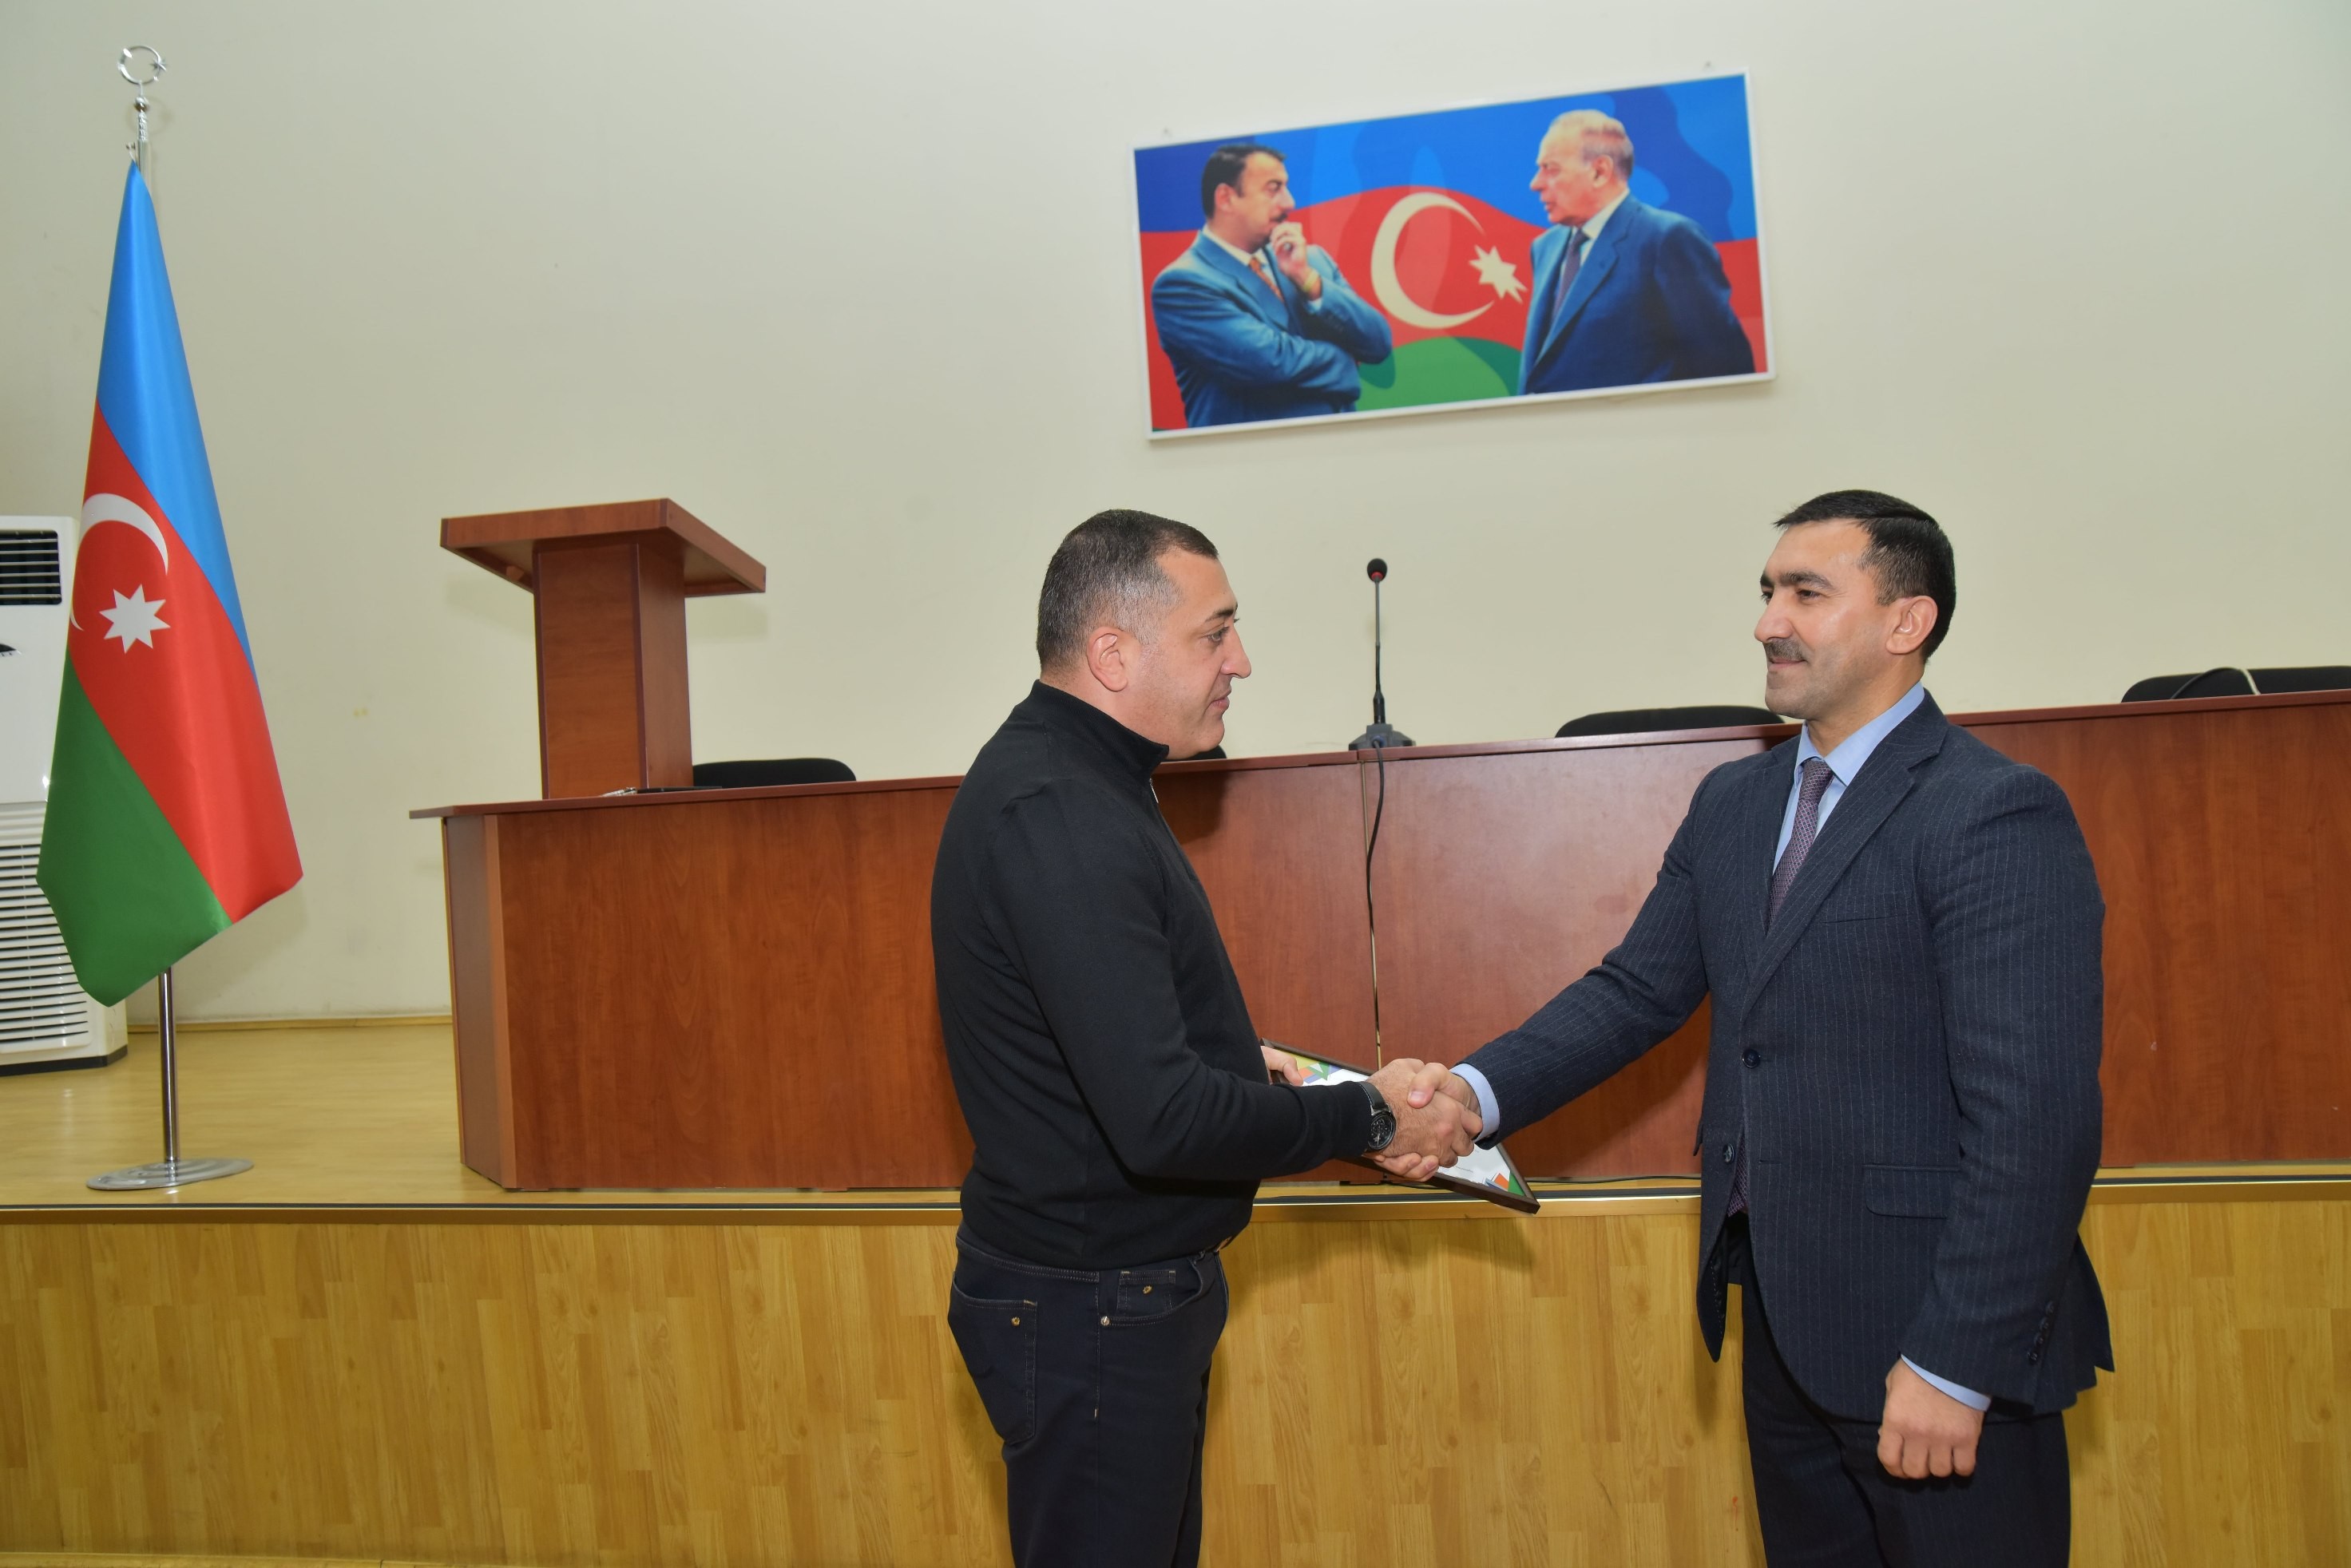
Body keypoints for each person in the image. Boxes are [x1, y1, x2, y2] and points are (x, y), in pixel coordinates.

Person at [1416, 492, 2111, 1566]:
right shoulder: (1733, 802)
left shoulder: (1992, 810)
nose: (1767, 622)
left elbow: (2037, 1119)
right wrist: (1470, 1093)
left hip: (1936, 1344)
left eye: (1806, 594)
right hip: (1784, 1330)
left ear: (1907, 621)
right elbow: (1636, 992)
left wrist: (1956, 1361)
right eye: (1768, 591)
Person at [931, 509, 1477, 1568]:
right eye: (1214, 633)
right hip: (1092, 1308)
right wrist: (1367, 1115)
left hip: (1106, 1301)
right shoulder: (1061, 809)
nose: (1241, 661)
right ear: (1113, 653)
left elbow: (1113, 1045)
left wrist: (1250, 1069)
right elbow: (1162, 1119)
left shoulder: (1085, 781)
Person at [1151, 144, 1394, 427]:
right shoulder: (1182, 284)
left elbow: (1378, 343)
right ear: (1226, 198)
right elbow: (1270, 362)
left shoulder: (1312, 260)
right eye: (1273, 189)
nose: (1289, 202)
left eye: (1286, 187)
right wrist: (1346, 360)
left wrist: (1307, 280)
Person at [1518, 109, 1756, 396]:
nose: (1535, 183)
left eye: (1551, 169)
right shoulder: (1545, 247)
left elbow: (1724, 367)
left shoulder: (1667, 239)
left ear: (1599, 171)